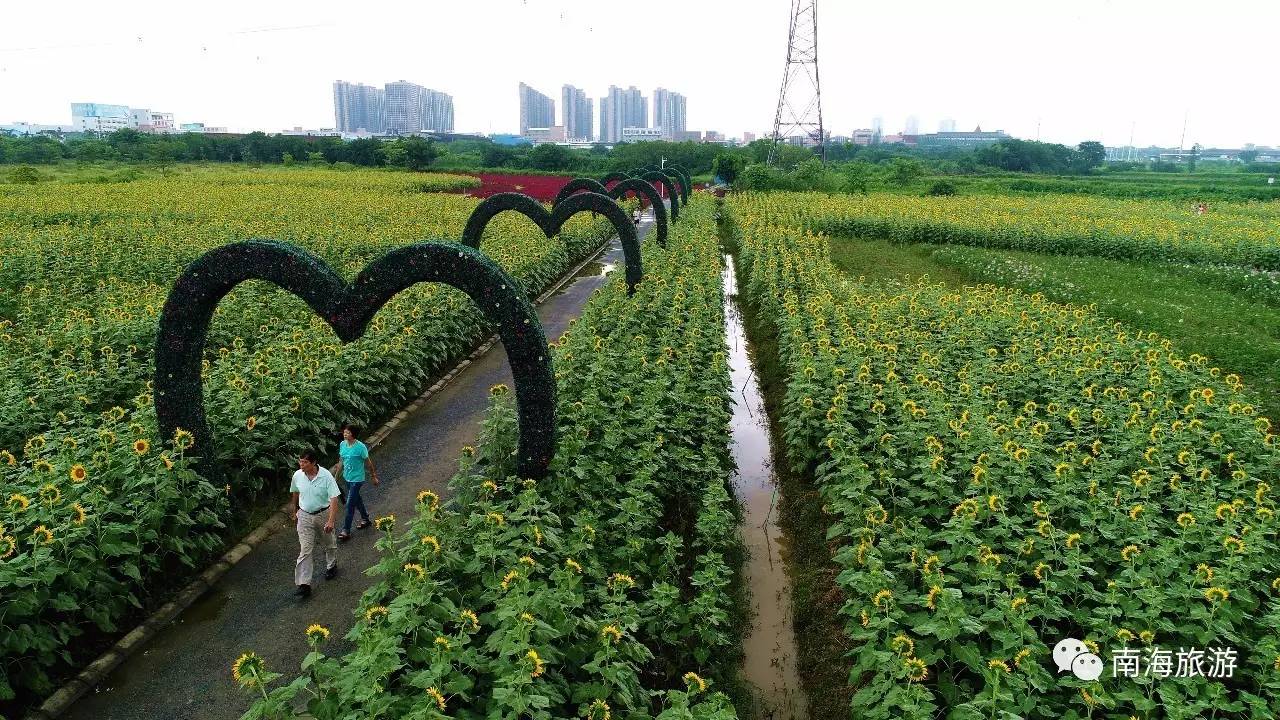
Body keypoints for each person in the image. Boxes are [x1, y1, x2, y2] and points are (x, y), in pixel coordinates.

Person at [289, 451, 340, 598]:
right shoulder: (297, 475)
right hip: (304, 515)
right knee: (305, 549)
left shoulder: (325, 476)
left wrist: (330, 520)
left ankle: (332, 565)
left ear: (313, 463)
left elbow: (334, 499)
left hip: (323, 513)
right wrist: (296, 510)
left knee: (329, 543)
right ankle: (304, 584)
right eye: (300, 462)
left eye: (305, 462)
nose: (301, 465)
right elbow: (295, 492)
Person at [334, 424, 379, 541]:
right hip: (347, 478)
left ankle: (346, 530)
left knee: (350, 504)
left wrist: (373, 476)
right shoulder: (342, 444)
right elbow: (341, 462)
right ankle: (365, 519)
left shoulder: (360, 447)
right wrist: (335, 477)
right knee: (357, 500)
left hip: (357, 479)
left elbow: (368, 462)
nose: (345, 434)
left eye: (347, 432)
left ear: (353, 434)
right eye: (344, 432)